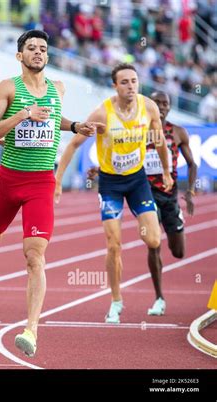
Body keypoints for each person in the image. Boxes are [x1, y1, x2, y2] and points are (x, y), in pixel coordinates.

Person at [0, 30, 100, 358]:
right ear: (19, 56)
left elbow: (54, 119)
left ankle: (31, 329)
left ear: (48, 56)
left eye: (43, 48)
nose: (38, 52)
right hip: (8, 181)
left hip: (41, 182)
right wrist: (24, 114)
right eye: (31, 48)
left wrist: (73, 127)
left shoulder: (58, 88)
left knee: (34, 256)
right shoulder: (9, 88)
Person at [55, 63, 174, 325]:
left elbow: (160, 142)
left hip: (137, 181)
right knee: (113, 245)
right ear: (115, 86)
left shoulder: (149, 108)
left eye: (134, 81)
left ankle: (148, 294)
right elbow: (73, 144)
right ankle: (116, 300)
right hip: (110, 184)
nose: (131, 86)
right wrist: (58, 180)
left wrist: (166, 172)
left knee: (153, 240)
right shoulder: (103, 114)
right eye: (125, 82)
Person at [144, 91, 197, 315]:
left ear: (170, 107)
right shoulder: (139, 130)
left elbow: (192, 165)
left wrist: (191, 192)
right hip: (146, 195)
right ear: (150, 105)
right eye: (157, 102)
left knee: (178, 252)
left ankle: (176, 224)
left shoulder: (177, 132)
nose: (162, 106)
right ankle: (159, 298)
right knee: (153, 243)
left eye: (165, 103)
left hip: (170, 196)